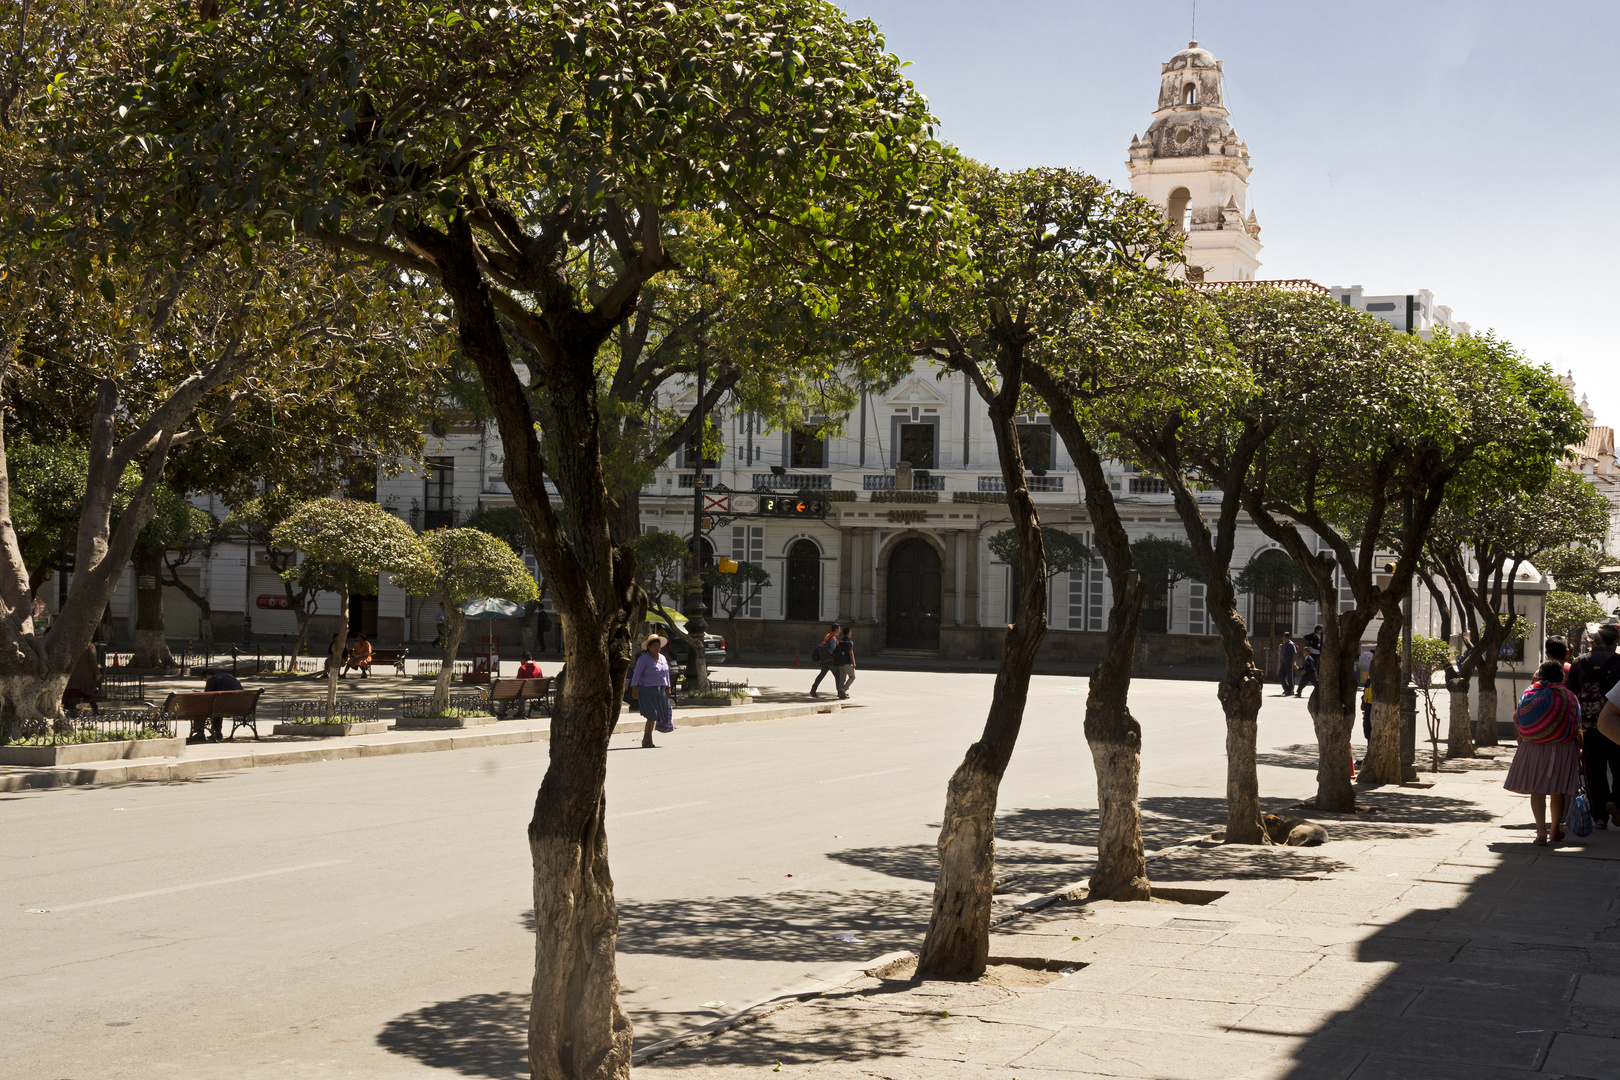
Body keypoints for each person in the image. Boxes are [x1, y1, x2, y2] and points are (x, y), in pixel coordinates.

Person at [1504, 660, 1583, 846]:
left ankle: (1540, 832)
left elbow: (1517, 718)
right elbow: (1576, 723)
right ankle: (1555, 830)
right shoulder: (1569, 696)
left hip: (1532, 747)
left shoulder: (1530, 693)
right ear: (1562, 676)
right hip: (1563, 748)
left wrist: (1536, 732)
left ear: (1540, 674)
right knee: (1558, 791)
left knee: (1537, 789)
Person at [1570, 624, 1620, 829]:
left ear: (1593, 640)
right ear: (1615, 641)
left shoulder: (1579, 663)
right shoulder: (1619, 662)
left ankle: (1599, 815)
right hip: (1616, 725)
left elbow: (1572, 696)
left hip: (1588, 727)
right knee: (1619, 767)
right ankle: (1616, 801)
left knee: (1593, 771)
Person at [630, 634, 674, 748]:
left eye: (658, 645)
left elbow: (666, 674)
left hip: (660, 691)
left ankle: (647, 740)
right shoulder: (643, 659)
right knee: (652, 715)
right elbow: (637, 674)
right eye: (654, 645)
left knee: (655, 715)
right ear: (649, 647)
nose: (657, 648)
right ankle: (646, 740)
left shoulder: (663, 658)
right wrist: (634, 688)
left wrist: (668, 688)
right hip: (647, 690)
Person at [191, 668, 245, 743]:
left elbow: (207, 696)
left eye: (205, 680)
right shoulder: (229, 676)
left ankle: (199, 733)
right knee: (217, 706)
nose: (206, 682)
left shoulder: (212, 679)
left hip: (222, 706)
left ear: (208, 675)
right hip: (239, 706)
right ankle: (217, 733)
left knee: (200, 707)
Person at [62, 644, 100, 716]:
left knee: (75, 692)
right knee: (89, 691)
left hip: (74, 673)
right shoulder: (90, 646)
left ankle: (72, 709)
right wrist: (97, 672)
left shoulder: (73, 645)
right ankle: (95, 710)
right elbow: (92, 660)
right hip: (87, 673)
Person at [810, 622, 841, 697]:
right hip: (831, 660)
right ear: (836, 630)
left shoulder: (827, 635)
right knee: (838, 675)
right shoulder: (833, 638)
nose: (840, 631)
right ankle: (840, 692)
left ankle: (813, 690)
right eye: (839, 629)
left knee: (821, 675)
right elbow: (833, 650)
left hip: (824, 660)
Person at [1296, 625, 1323, 698]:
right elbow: (1306, 666)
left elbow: (1310, 666)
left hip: (1310, 673)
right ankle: (1298, 692)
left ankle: (1321, 693)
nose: (1303, 653)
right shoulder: (1307, 658)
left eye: (1304, 652)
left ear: (1308, 652)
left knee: (1315, 684)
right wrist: (1299, 668)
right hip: (1307, 673)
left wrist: (1304, 670)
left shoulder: (1310, 659)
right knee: (1302, 683)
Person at [832, 626, 857, 700]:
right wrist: (854, 662)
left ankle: (840, 693)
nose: (851, 633)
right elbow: (851, 652)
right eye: (850, 632)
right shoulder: (849, 642)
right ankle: (843, 690)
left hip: (840, 662)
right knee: (852, 676)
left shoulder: (840, 641)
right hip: (847, 662)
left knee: (842, 678)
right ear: (848, 633)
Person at [1277, 632, 1298, 697]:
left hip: (1290, 663)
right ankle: (1286, 688)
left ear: (1289, 638)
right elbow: (1282, 646)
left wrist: (1293, 663)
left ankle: (1290, 690)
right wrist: (1281, 646)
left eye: (1285, 638)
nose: (1284, 639)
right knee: (1281, 675)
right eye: (1283, 638)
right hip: (1284, 663)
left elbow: (1295, 654)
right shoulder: (1284, 643)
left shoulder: (1291, 644)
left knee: (1290, 678)